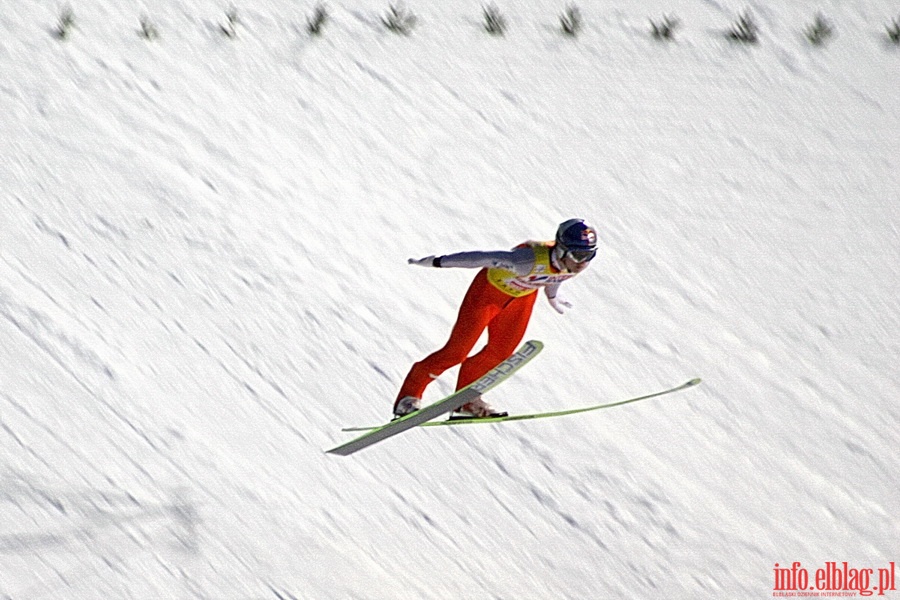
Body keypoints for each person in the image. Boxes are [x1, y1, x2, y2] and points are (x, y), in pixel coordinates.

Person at [394, 218, 598, 419]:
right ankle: (409, 396)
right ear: (562, 250)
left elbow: (554, 276)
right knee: (456, 352)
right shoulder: (525, 260)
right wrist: (438, 261)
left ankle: (466, 402)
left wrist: (552, 295)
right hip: (487, 295)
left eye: (590, 256)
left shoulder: (570, 264)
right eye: (579, 255)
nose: (583, 263)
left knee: (501, 352)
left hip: (521, 299)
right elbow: (479, 258)